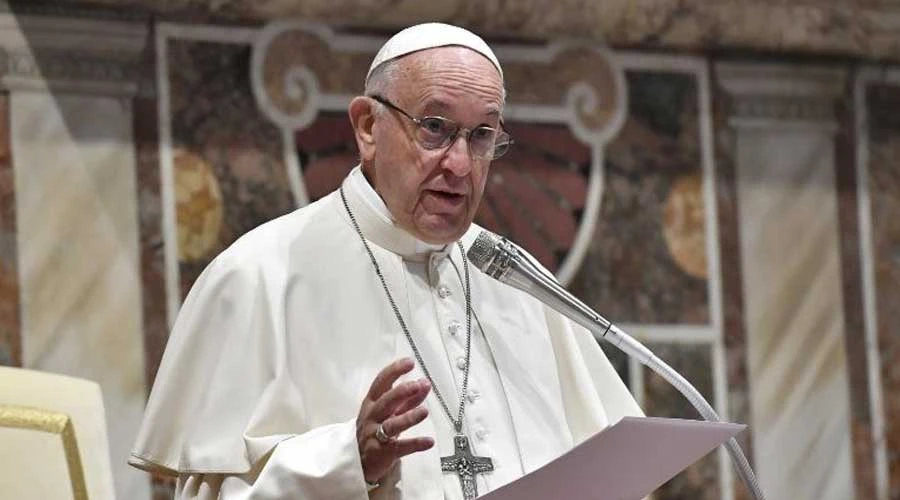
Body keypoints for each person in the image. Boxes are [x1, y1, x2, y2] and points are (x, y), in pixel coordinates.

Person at [130, 22, 642, 500]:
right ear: (368, 127)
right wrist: (349, 460)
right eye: (435, 128)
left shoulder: (518, 281)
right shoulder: (258, 275)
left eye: (482, 136)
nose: (461, 165)